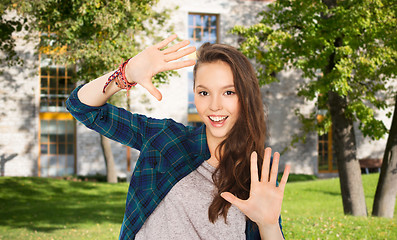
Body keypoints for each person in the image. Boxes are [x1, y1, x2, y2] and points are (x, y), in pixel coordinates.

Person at [66, 34, 290, 240]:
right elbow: (81, 107)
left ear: (245, 96)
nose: (214, 105)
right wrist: (126, 74)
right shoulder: (165, 139)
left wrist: (269, 225)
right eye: (204, 92)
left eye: (228, 92)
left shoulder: (257, 175)